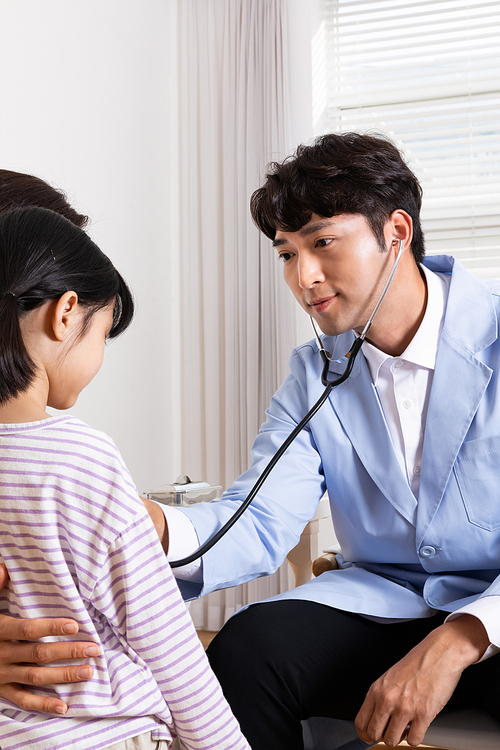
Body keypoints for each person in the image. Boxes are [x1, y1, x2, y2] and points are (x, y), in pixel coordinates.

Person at [0, 133, 499, 749]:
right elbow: (259, 519)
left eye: (321, 243)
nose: (303, 276)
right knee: (247, 648)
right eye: (286, 253)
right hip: (388, 602)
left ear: (395, 231)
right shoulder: (314, 372)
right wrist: (153, 527)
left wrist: (461, 637)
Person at [0, 206, 250, 750]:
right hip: (106, 734)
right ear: (65, 313)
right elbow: (167, 644)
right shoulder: (83, 457)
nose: (99, 357)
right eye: (103, 335)